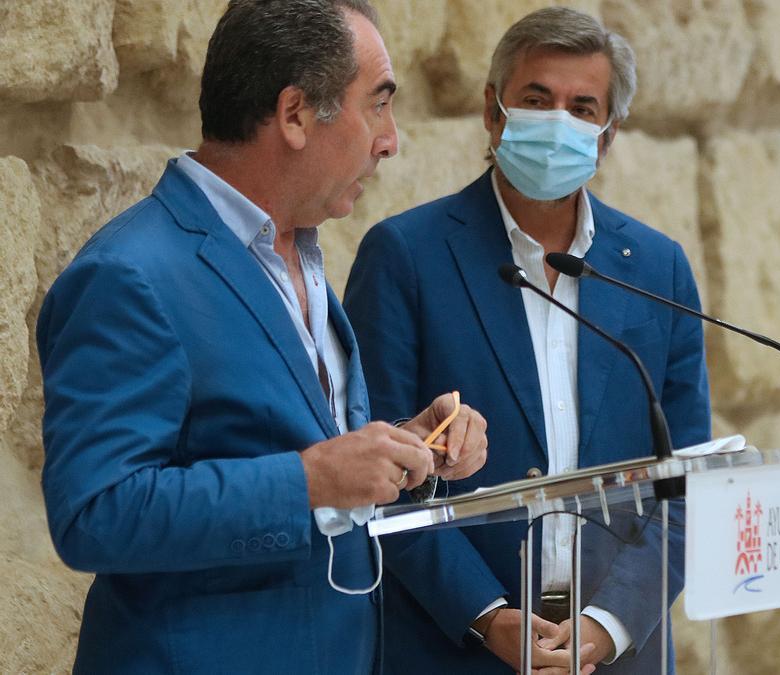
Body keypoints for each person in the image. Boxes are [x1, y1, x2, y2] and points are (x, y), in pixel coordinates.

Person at [36, 1, 488, 672]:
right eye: (378, 105)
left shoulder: (299, 253)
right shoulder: (128, 273)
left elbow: (270, 439)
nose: (391, 140)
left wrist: (403, 444)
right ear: (295, 114)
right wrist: (308, 480)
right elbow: (96, 513)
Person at [343, 6, 711, 673]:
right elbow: (376, 471)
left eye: (581, 107)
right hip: (453, 646)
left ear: (608, 134)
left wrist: (608, 622)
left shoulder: (660, 271)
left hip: (617, 652)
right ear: (493, 110)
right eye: (537, 100)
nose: (558, 122)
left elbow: (688, 483)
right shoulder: (405, 256)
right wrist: (485, 615)